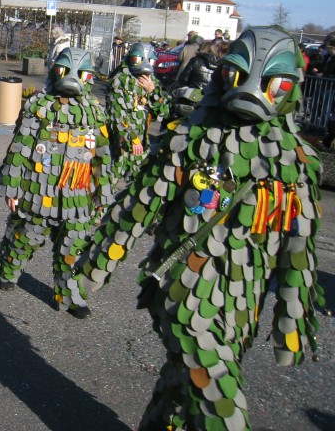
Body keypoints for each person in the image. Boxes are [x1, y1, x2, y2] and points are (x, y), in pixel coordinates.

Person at [70, 27, 323, 431]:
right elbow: (139, 205)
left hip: (241, 306)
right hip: (183, 288)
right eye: (238, 75)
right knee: (220, 401)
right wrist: (95, 265)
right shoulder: (191, 139)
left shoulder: (295, 163)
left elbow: (299, 249)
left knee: (180, 387)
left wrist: (289, 321)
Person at [0, 46, 113, 318]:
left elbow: (102, 159)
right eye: (64, 69)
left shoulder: (95, 113)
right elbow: (19, 148)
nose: (71, 77)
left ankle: (69, 295)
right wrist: (12, 187)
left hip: (78, 196)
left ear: (89, 77)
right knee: (24, 238)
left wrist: (102, 195)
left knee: (72, 247)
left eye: (81, 73)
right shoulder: (38, 107)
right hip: (38, 191)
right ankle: (8, 270)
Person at [106, 41, 169, 184]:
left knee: (137, 184)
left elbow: (164, 111)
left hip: (142, 143)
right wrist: (132, 138)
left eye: (150, 60)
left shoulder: (151, 82)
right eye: (138, 59)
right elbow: (116, 115)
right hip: (120, 142)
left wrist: (153, 91)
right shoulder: (120, 80)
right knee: (111, 181)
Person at [169, 40, 225, 119]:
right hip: (208, 100)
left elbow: (183, 79)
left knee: (173, 111)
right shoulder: (219, 65)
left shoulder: (195, 60)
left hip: (191, 98)